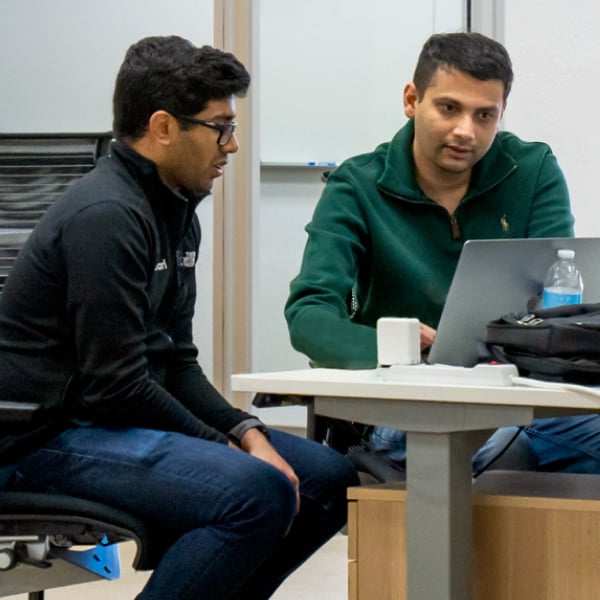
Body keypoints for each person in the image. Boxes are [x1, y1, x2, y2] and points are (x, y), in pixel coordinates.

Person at [0, 35, 358, 599]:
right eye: (220, 128)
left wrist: (246, 429)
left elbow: (176, 360)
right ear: (164, 127)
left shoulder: (175, 210)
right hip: (38, 440)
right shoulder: (106, 216)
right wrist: (230, 447)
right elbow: (116, 385)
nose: (233, 146)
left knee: (328, 480)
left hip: (101, 420)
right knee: (255, 491)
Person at [285, 31, 600, 475]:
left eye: (485, 115)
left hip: (519, 394)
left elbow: (560, 303)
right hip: (407, 405)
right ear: (412, 100)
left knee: (518, 443)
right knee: (502, 450)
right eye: (449, 108)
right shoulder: (357, 185)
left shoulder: (532, 170)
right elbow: (308, 317)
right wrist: (392, 346)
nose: (465, 131)